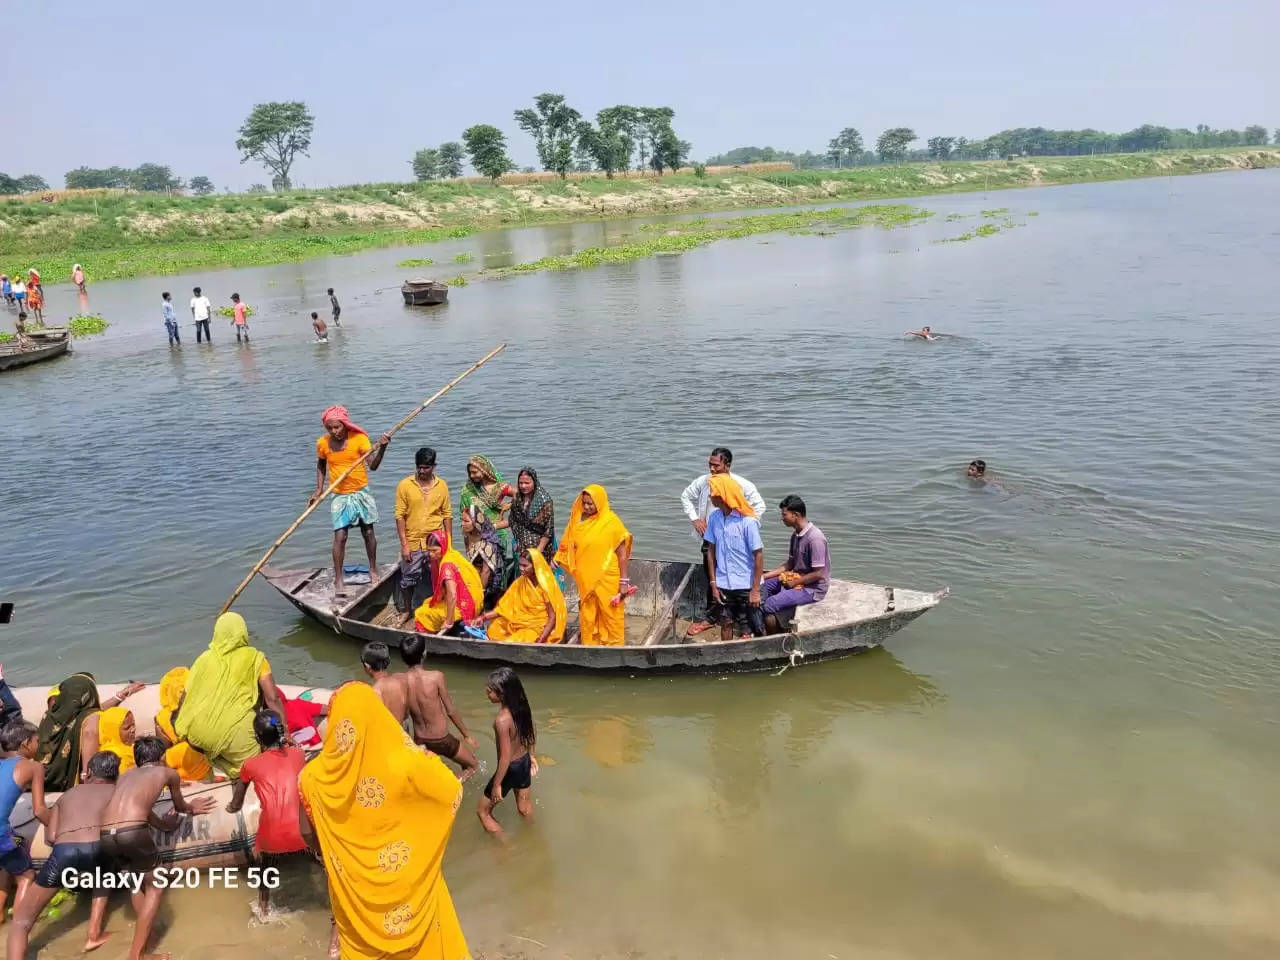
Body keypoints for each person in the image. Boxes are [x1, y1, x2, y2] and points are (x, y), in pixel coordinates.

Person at [300, 682, 470, 960]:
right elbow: (451, 792)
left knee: (361, 945)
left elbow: (305, 832)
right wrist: (428, 762)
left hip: (353, 886)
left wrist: (326, 853)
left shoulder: (312, 778)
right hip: (409, 878)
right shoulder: (406, 761)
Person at [99, 736, 216, 960]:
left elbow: (141, 809)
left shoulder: (124, 777)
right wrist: (192, 807)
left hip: (105, 835)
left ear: (137, 759)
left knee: (136, 883)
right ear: (162, 757)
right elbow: (181, 805)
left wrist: (163, 825)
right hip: (132, 833)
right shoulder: (167, 773)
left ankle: (147, 938)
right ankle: (137, 955)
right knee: (156, 885)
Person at [6, 750, 118, 960]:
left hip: (65, 852)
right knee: (105, 868)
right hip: (100, 848)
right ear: (116, 774)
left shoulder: (69, 794)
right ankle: (94, 933)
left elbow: (52, 836)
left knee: (21, 921)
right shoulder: (117, 792)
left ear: (90, 772)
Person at [176, 612, 286, 777]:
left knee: (216, 741)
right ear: (243, 632)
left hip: (194, 736)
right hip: (234, 736)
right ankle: (238, 773)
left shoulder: (202, 659)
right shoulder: (256, 658)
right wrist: (285, 733)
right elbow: (272, 698)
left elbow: (185, 699)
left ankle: (220, 763)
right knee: (257, 766)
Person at [225, 712, 307, 919]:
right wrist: (290, 739)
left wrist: (230, 808)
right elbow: (296, 749)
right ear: (281, 732)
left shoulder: (250, 765)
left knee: (263, 864)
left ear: (257, 738)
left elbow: (236, 804)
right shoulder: (298, 754)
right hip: (304, 833)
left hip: (273, 839)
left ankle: (263, 908)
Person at [680, 448, 767, 636]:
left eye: (716, 465)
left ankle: (745, 626)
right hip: (713, 533)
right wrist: (695, 519)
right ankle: (712, 617)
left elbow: (759, 506)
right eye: (709, 464)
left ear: (727, 465)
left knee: (742, 589)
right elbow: (686, 496)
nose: (712, 468)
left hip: (737, 539)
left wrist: (743, 527)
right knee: (713, 578)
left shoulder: (741, 484)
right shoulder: (705, 482)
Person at [311, 405, 390, 598]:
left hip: (361, 492)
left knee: (368, 531)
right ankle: (339, 579)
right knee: (340, 536)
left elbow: (373, 466)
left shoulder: (359, 439)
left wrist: (382, 447)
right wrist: (319, 490)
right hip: (339, 494)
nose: (334, 432)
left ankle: (373, 569)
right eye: (330, 428)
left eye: (337, 427)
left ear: (345, 425)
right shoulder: (323, 443)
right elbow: (321, 465)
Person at [35, 673, 145, 791]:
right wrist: (87, 779)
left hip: (41, 778)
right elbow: (88, 763)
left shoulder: (52, 715)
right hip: (67, 783)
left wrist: (120, 696)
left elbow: (96, 711)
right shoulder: (90, 720)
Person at [555, 485, 634, 646]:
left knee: (610, 612)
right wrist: (558, 559)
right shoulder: (578, 521)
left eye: (591, 503)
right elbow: (569, 544)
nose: (587, 507)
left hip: (607, 575)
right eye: (584, 503)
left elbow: (622, 554)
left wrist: (624, 581)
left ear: (600, 502)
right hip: (586, 576)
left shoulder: (611, 522)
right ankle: (590, 644)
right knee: (588, 612)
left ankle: (615, 645)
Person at [401, 635, 479, 780]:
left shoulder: (401, 681)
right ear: (424, 653)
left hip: (420, 739)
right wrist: (466, 735)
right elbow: (451, 710)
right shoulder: (436, 677)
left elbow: (404, 717)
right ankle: (451, 791)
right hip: (442, 739)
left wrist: (410, 744)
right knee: (472, 766)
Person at [702, 474, 766, 641]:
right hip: (724, 583)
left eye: (713, 493)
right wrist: (714, 584)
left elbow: (758, 555)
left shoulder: (748, 522)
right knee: (726, 621)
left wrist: (755, 590)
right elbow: (710, 550)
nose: (710, 497)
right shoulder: (715, 518)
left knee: (755, 626)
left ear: (722, 496)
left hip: (747, 584)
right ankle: (725, 651)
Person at [477, 667, 536, 836]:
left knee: (482, 812)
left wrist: (497, 785)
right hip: (524, 761)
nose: (486, 693)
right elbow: (532, 731)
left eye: (490, 691)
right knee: (524, 808)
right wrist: (531, 755)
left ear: (501, 694)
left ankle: (506, 848)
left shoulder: (502, 720)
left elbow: (504, 758)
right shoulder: (522, 708)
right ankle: (533, 836)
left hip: (510, 768)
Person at [760, 495, 831, 634]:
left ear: (796, 515)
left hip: (812, 588)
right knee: (761, 587)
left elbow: (819, 573)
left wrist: (794, 583)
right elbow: (790, 563)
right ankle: (766, 623)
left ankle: (776, 636)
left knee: (769, 604)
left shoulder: (815, 539)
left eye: (784, 514)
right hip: (795, 578)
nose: (782, 518)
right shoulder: (796, 536)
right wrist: (765, 576)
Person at [0, 721, 48, 925]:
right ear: (26, 743)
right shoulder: (34, 767)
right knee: (26, 875)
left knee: (6, 865)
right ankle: (19, 927)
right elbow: (39, 810)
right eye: (37, 741)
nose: (39, 745)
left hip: (4, 833)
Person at [393, 446, 450, 615]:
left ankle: (439, 608)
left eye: (426, 467)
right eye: (419, 466)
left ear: (433, 466)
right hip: (413, 540)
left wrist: (448, 543)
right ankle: (407, 611)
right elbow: (399, 516)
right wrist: (404, 544)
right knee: (408, 578)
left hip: (435, 541)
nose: (422, 470)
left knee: (439, 577)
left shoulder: (442, 486)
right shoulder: (405, 485)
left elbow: (447, 515)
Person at [472, 549, 566, 644]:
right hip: (519, 622)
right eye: (520, 565)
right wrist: (483, 617)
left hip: (537, 627)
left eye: (525, 566)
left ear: (535, 566)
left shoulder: (545, 585)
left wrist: (541, 639)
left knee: (513, 641)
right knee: (494, 628)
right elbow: (503, 608)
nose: (521, 568)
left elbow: (552, 617)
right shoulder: (520, 582)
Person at [413, 530, 483, 636]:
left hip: (465, 607)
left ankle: (427, 635)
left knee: (420, 614)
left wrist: (448, 621)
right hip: (476, 600)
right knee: (428, 602)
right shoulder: (453, 553)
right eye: (428, 550)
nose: (431, 554)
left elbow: (452, 595)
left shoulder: (446, 566)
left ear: (443, 546)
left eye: (434, 550)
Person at [153, 666, 212, 782]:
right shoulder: (203, 708)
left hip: (181, 768)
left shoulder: (161, 719)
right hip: (205, 764)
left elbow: (163, 755)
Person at [460, 456, 514, 559]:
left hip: (497, 534)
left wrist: (508, 506)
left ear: (484, 470)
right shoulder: (468, 490)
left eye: (475, 472)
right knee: (479, 570)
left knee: (498, 569)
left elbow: (520, 495)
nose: (472, 475)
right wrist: (467, 545)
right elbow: (463, 517)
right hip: (475, 536)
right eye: (470, 473)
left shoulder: (499, 487)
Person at [462, 505, 509, 610]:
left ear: (475, 522)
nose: (462, 524)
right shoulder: (468, 535)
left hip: (488, 586)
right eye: (462, 520)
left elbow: (486, 571)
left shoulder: (487, 543)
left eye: (466, 521)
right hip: (475, 578)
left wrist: (480, 593)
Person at [506, 467, 556, 564]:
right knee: (523, 575)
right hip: (521, 545)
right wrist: (493, 526)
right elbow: (512, 520)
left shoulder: (545, 501)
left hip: (540, 548)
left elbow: (548, 531)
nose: (523, 486)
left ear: (534, 482)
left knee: (538, 575)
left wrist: (536, 553)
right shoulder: (517, 498)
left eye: (527, 483)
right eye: (521, 483)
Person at [360, 641, 407, 726]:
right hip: (401, 736)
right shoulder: (401, 681)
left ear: (367, 667)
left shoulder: (375, 691)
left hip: (386, 737)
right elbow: (406, 715)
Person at [95, 706, 137, 775]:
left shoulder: (124, 746)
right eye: (127, 728)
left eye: (133, 724)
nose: (133, 729)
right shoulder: (115, 756)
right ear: (113, 731)